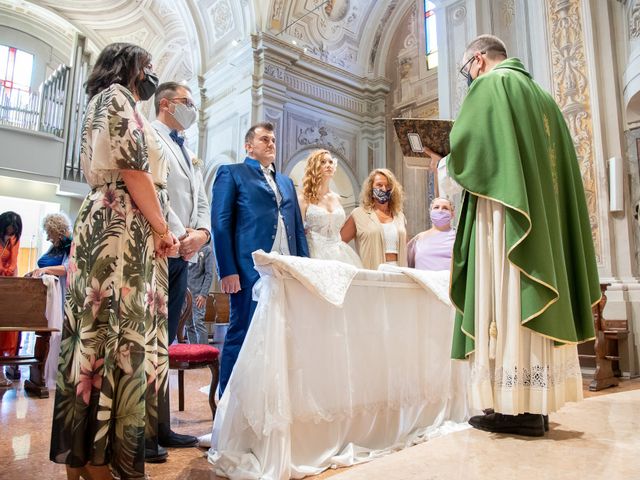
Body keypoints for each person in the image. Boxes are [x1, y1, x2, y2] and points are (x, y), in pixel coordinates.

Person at [422, 35, 601, 437]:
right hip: (540, 225)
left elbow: (470, 156)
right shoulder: (544, 99)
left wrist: (442, 163)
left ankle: (512, 409)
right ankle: (534, 407)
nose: (468, 76)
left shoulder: (491, 85)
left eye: (466, 68)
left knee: (502, 296)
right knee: (526, 300)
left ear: (479, 60)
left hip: (504, 219)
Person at [49, 42, 179, 480]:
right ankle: (99, 462)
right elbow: (133, 170)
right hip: (120, 224)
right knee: (114, 332)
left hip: (121, 221)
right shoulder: (116, 98)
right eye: (150, 66)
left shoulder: (109, 102)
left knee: (100, 332)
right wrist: (163, 229)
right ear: (130, 68)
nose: (152, 74)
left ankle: (87, 461)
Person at [212, 122, 309, 396]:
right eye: (264, 139)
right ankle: (227, 402)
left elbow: (298, 230)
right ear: (248, 146)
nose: (271, 144)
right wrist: (227, 270)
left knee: (283, 335)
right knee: (242, 332)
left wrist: (306, 268)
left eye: (274, 140)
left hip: (287, 268)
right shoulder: (232, 173)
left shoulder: (286, 182)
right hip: (248, 270)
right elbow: (221, 224)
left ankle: (270, 396)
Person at [149, 81, 211, 452]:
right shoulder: (152, 137)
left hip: (183, 254)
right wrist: (178, 233)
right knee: (149, 342)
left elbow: (200, 197)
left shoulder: (188, 150)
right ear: (166, 104)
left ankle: (161, 426)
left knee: (166, 342)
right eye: (188, 103)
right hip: (161, 249)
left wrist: (201, 233)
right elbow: (157, 192)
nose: (193, 109)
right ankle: (141, 428)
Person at [298, 149, 362, 267]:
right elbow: (298, 231)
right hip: (314, 253)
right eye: (323, 162)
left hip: (339, 254)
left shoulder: (338, 198)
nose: (328, 165)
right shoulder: (304, 198)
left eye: (330, 162)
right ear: (314, 167)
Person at [340, 168, 407, 270]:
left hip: (399, 271)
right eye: (379, 185)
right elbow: (339, 243)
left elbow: (405, 245)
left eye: (388, 185)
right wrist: (353, 266)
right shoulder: (359, 214)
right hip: (372, 272)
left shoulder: (399, 216)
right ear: (371, 189)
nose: (384, 189)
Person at [0, 211, 22, 388]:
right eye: (7, 230)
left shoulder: (14, 240)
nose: (10, 233)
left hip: (5, 287)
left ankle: (1, 371)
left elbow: (14, 266)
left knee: (5, 330)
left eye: (13, 231)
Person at [407, 197, 455, 270]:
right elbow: (406, 264)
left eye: (445, 208)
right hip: (422, 280)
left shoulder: (457, 237)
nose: (440, 210)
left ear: (452, 214)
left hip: (447, 280)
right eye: (436, 207)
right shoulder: (419, 238)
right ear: (430, 212)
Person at [26, 213, 72, 284]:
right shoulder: (55, 246)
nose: (47, 239)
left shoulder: (71, 245)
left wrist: (44, 270)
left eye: (49, 234)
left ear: (57, 232)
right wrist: (35, 272)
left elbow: (67, 268)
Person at [186, 243, 215, 345]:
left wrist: (203, 294)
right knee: (188, 325)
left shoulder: (207, 250)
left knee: (198, 322)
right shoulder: (185, 247)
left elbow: (209, 274)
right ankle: (193, 355)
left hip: (198, 294)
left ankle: (204, 354)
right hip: (185, 294)